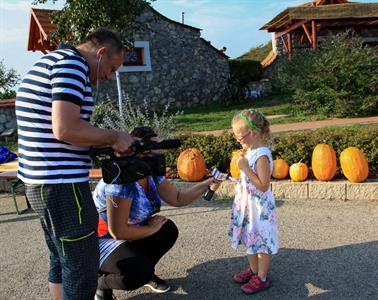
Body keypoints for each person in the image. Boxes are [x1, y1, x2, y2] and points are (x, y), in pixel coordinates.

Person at [15, 28, 136, 300]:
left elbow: (56, 133)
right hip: (62, 185)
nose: (108, 77)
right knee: (81, 268)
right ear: (101, 53)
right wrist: (115, 136)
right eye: (112, 68)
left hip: (39, 183)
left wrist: (104, 143)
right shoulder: (72, 65)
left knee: (61, 258)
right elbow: (66, 129)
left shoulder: (49, 62)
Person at [92, 126, 221, 300]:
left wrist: (206, 184)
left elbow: (177, 198)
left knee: (167, 230)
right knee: (136, 272)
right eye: (153, 151)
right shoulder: (121, 181)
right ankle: (101, 285)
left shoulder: (149, 171)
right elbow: (118, 232)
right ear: (138, 153)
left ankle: (146, 271)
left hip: (129, 232)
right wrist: (151, 230)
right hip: (102, 239)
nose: (159, 155)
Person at [229, 109, 279, 294]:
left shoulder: (262, 155)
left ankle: (262, 277)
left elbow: (263, 185)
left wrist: (244, 168)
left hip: (260, 209)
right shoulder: (250, 151)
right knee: (249, 238)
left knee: (261, 242)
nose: (238, 140)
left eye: (240, 137)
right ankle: (253, 270)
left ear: (254, 133)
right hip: (247, 205)